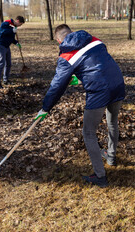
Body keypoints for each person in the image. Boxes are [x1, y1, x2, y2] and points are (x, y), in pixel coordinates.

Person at [35, 24, 125, 188]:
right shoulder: (93, 39)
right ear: (72, 32)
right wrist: (81, 76)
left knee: (88, 132)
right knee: (112, 121)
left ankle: (100, 176)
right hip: (118, 82)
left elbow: (57, 87)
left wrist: (45, 107)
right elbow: (97, 62)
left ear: (58, 40)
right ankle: (111, 156)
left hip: (99, 91)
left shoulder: (66, 55)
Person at [0, 16, 25, 89]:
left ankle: (6, 80)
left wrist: (16, 42)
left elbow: (11, 38)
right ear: (17, 21)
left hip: (6, 46)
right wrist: (12, 30)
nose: (20, 26)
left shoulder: (14, 27)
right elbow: (3, 31)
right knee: (1, 62)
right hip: (0, 45)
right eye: (20, 24)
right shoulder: (6, 23)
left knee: (9, 64)